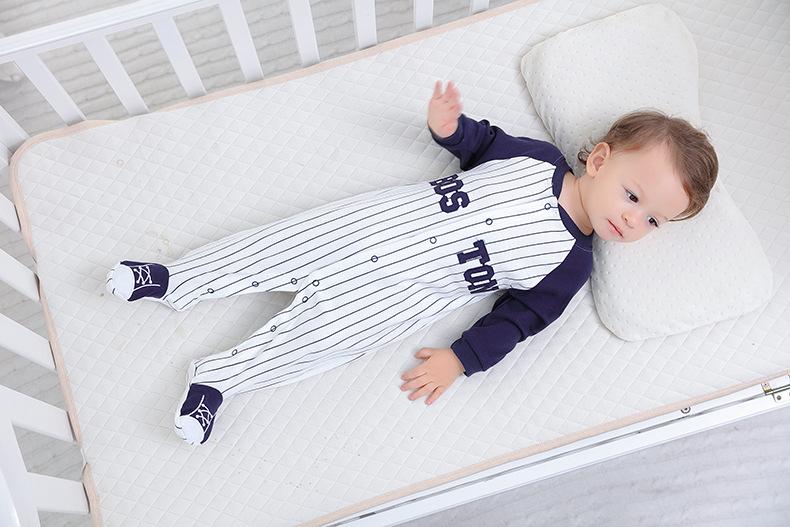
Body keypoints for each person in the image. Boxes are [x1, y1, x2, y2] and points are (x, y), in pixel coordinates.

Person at [106, 80, 718, 445]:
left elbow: (517, 321)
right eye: (634, 197)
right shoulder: (535, 159)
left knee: (317, 339)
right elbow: (482, 145)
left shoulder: (570, 268)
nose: (633, 221)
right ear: (600, 160)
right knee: (275, 247)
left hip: (406, 294)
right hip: (378, 223)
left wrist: (462, 359)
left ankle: (218, 381)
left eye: (653, 221)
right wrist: (449, 128)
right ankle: (176, 279)